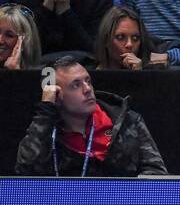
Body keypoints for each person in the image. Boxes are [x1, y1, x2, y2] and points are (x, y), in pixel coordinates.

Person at [14, 55, 167, 176]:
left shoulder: (127, 121)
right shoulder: (47, 131)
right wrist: (46, 109)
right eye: (76, 85)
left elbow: (157, 173)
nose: (87, 89)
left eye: (88, 81)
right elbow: (26, 170)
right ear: (57, 94)